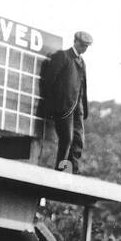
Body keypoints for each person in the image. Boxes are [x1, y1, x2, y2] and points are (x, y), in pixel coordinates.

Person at [41, 31, 93, 173]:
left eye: (87, 46)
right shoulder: (62, 56)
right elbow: (49, 83)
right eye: (83, 45)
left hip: (78, 108)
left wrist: (82, 109)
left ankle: (72, 172)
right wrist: (54, 106)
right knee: (67, 140)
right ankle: (61, 171)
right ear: (75, 41)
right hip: (64, 107)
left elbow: (82, 86)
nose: (84, 48)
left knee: (78, 142)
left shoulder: (82, 62)